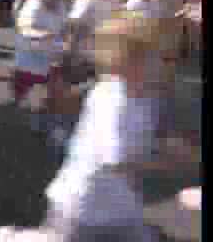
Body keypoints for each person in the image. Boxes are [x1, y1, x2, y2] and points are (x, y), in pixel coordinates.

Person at [43, 14, 168, 241]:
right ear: (131, 62)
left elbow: (142, 137)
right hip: (83, 209)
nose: (160, 62)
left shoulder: (142, 95)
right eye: (153, 56)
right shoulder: (115, 101)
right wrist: (173, 162)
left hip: (120, 207)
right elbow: (118, 161)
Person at [0, 0, 66, 132]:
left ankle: (37, 120)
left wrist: (65, 40)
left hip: (47, 60)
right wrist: (41, 34)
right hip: (26, 62)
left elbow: (64, 27)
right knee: (11, 93)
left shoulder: (60, 7)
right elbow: (25, 28)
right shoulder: (32, 7)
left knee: (42, 92)